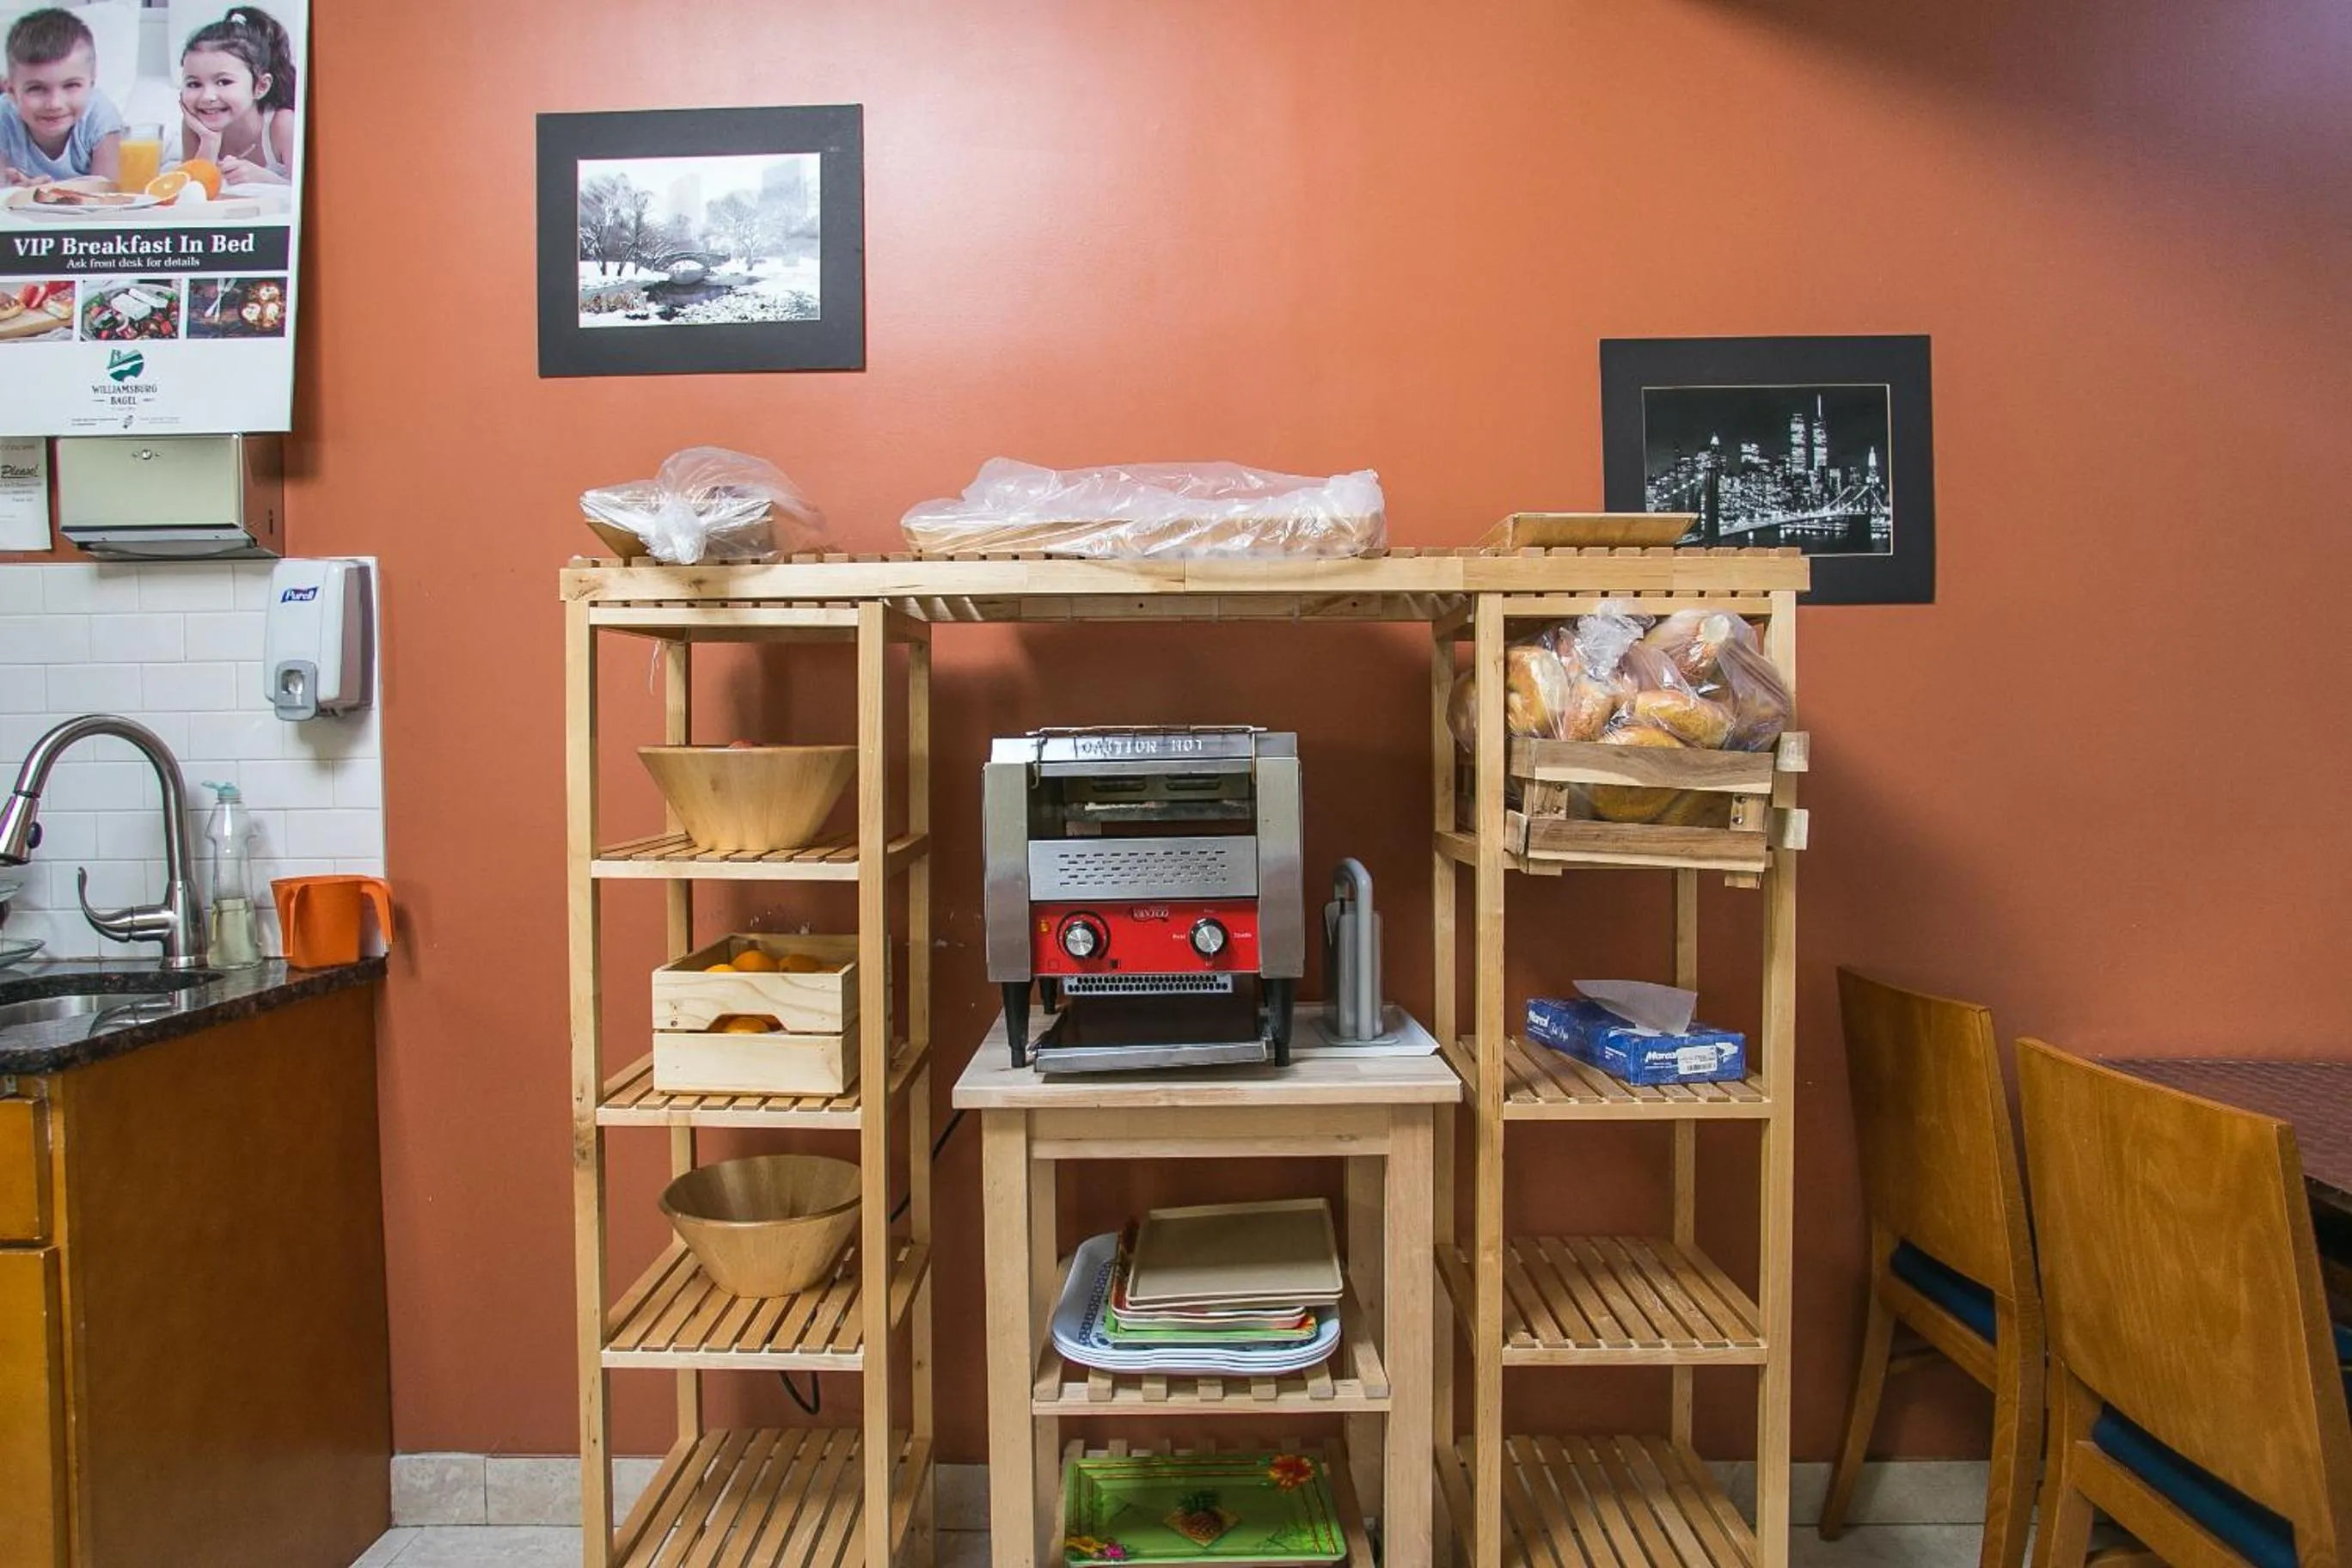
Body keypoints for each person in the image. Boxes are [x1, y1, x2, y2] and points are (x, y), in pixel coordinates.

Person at [0, 8, 125, 185]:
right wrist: (14, 192)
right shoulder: (4, 119)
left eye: (71, 85)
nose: (54, 104)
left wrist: (43, 196)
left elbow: (109, 197)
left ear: (91, 83)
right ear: (11, 91)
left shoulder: (101, 119)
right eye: (36, 88)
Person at [178, 6, 297, 187]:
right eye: (194, 84)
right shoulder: (195, 127)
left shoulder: (282, 125)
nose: (207, 97)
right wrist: (209, 143)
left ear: (260, 86)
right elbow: (190, 195)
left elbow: (305, 195)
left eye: (224, 82)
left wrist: (265, 179)